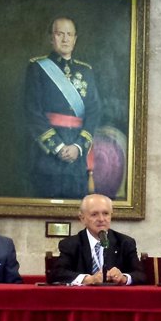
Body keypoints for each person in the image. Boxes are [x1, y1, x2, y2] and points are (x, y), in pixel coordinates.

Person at [24, 16, 102, 199]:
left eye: (69, 34)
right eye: (60, 34)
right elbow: (32, 112)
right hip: (47, 154)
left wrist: (78, 146)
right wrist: (57, 147)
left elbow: (94, 111)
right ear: (51, 38)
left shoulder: (86, 71)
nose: (65, 39)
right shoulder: (37, 68)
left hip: (78, 152)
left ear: (75, 38)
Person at [50, 194, 145, 285]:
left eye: (106, 213)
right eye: (94, 214)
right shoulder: (70, 244)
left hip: (116, 299)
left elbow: (141, 275)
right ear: (82, 218)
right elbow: (57, 274)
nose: (101, 219)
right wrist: (88, 279)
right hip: (81, 299)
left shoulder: (125, 243)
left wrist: (124, 278)